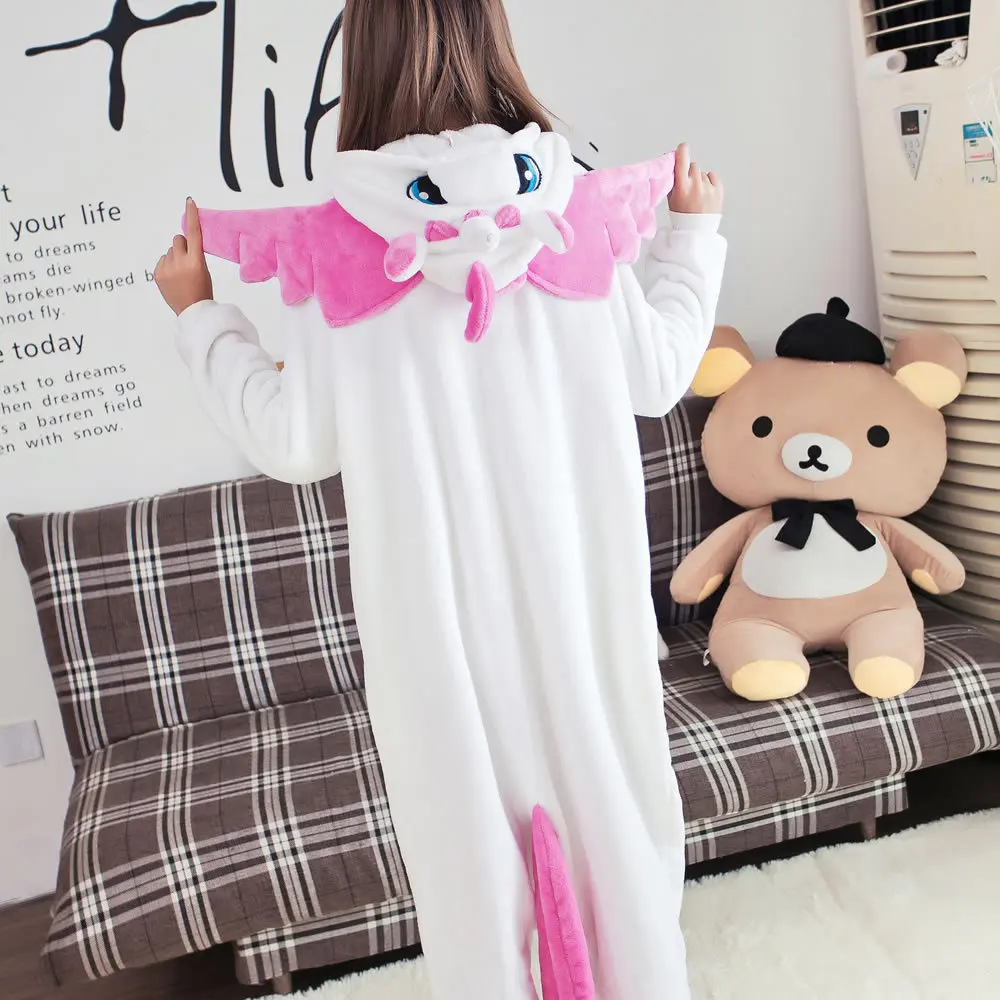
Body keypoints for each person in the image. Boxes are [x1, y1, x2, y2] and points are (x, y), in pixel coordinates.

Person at [154, 1, 725, 997]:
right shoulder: (569, 210)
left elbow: (295, 442)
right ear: (491, 38)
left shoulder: (342, 247)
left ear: (365, 55)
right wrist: (691, 235)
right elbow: (660, 372)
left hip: (439, 643)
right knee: (621, 830)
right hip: (584, 611)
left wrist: (203, 316)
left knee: (472, 872)